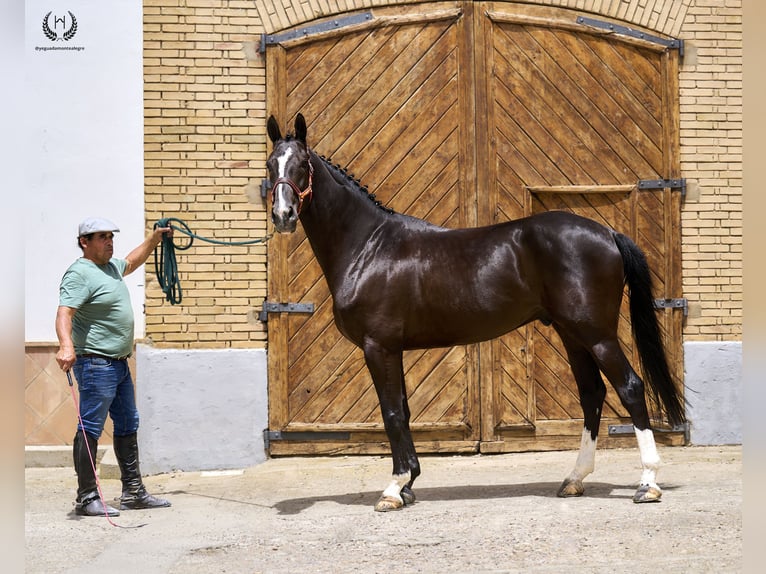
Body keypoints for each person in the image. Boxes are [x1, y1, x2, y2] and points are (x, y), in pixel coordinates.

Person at [55, 217, 173, 517]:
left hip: (119, 364)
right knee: (90, 427)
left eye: (111, 236)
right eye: (102, 237)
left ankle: (133, 492)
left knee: (127, 424)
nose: (109, 242)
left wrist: (154, 239)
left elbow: (131, 261)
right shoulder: (80, 273)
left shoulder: (109, 267)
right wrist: (66, 346)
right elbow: (65, 313)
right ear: (84, 242)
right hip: (95, 363)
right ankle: (87, 497)